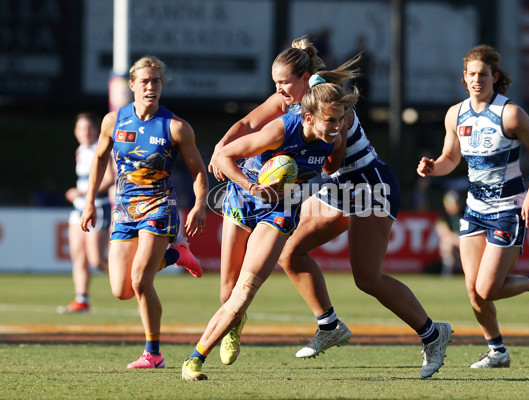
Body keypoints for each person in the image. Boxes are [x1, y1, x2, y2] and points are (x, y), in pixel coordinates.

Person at [210, 37, 452, 379]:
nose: (278, 91)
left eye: (284, 84)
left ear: (306, 79)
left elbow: (329, 161)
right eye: (275, 83)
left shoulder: (326, 100)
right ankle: (330, 325)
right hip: (337, 187)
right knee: (290, 253)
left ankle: (433, 334)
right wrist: (222, 149)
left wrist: (290, 166)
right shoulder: (293, 99)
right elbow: (249, 124)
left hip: (368, 184)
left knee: (367, 278)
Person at [181, 63, 355, 382]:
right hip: (245, 195)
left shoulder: (335, 134)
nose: (338, 125)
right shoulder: (281, 129)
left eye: (342, 119)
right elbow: (222, 158)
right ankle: (232, 328)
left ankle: (194, 360)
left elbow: (331, 167)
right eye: (332, 120)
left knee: (245, 291)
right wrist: (252, 187)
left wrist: (336, 137)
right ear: (308, 117)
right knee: (227, 291)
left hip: (281, 209)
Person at [416, 44, 529, 368]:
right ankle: (498, 351)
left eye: (483, 74)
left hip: (508, 209)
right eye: (471, 74)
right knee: (473, 290)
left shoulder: (509, 113)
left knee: (487, 287)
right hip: (474, 209)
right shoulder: (456, 114)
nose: (477, 79)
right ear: (464, 79)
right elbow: (451, 158)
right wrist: (432, 167)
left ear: (495, 77)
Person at [81, 55, 209, 369]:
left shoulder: (176, 127)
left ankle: (153, 354)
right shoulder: (114, 120)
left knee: (140, 281)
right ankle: (177, 256)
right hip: (124, 210)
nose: (151, 86)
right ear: (132, 85)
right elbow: (99, 160)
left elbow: (198, 171)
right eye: (145, 81)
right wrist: (88, 201)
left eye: (156, 81)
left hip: (159, 207)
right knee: (121, 290)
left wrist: (200, 205)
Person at [58, 113, 115, 314]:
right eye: (81, 128)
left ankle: (129, 283)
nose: (86, 132)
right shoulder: (80, 151)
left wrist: (83, 193)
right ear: (76, 132)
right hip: (78, 208)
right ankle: (81, 299)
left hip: (97, 207)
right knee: (78, 255)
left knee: (96, 260)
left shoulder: (101, 148)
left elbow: (109, 178)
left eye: (89, 128)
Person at [434, 190, 462, 276]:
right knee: (446, 241)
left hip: (466, 244)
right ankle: (447, 273)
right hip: (457, 244)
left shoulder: (465, 214)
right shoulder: (442, 218)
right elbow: (444, 233)